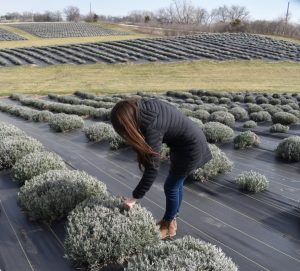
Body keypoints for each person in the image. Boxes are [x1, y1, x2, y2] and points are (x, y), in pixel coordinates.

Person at [111, 97, 212, 239]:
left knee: (171, 186)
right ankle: (171, 220)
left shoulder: (152, 127)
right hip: (185, 144)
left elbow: (152, 168)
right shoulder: (145, 107)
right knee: (177, 184)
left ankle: (168, 225)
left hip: (191, 149)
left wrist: (134, 197)